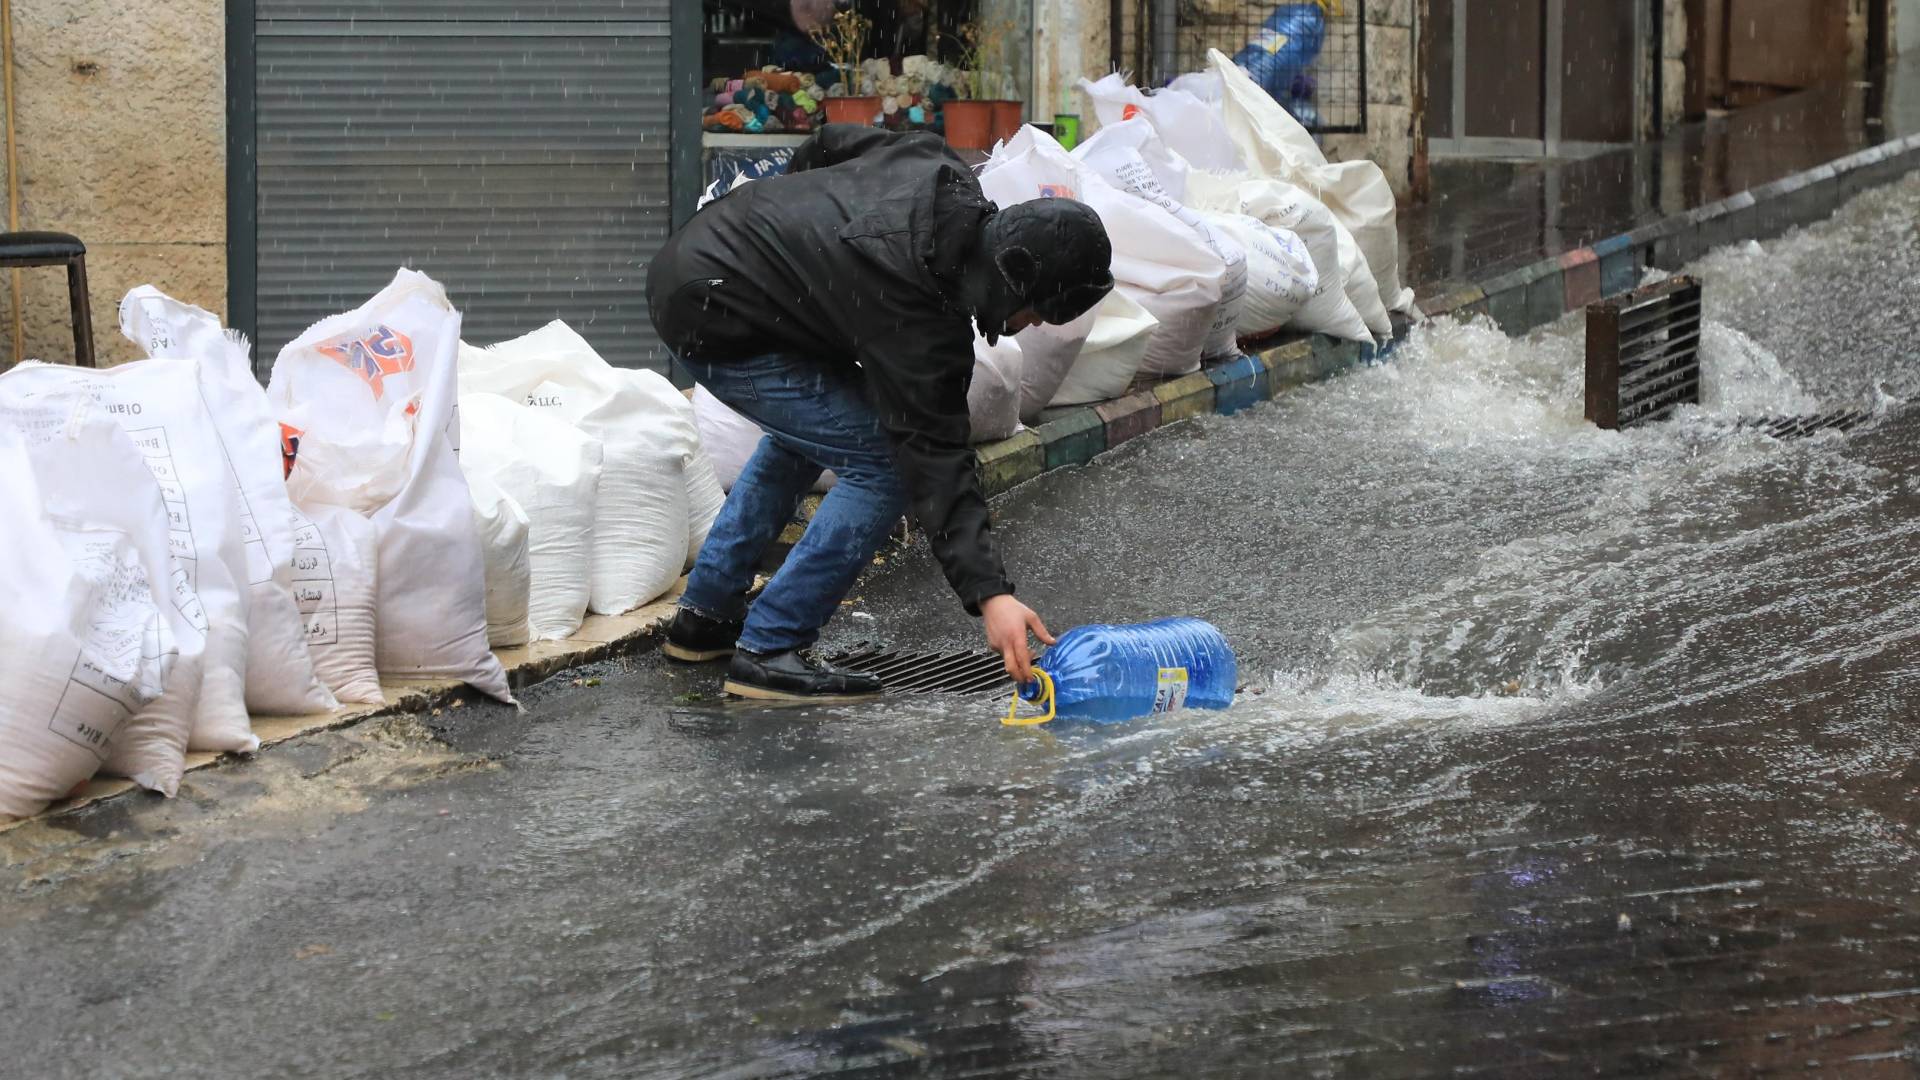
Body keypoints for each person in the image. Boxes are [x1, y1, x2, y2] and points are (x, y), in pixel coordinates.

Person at [647, 123, 1115, 702]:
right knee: (886, 465)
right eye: (1040, 311)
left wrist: (783, 232)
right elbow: (937, 459)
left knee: (820, 430)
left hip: (713, 262)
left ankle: (706, 619)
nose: (1038, 325)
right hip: (715, 310)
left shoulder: (937, 167)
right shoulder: (917, 316)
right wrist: (992, 595)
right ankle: (768, 648)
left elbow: (831, 141)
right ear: (1013, 277)